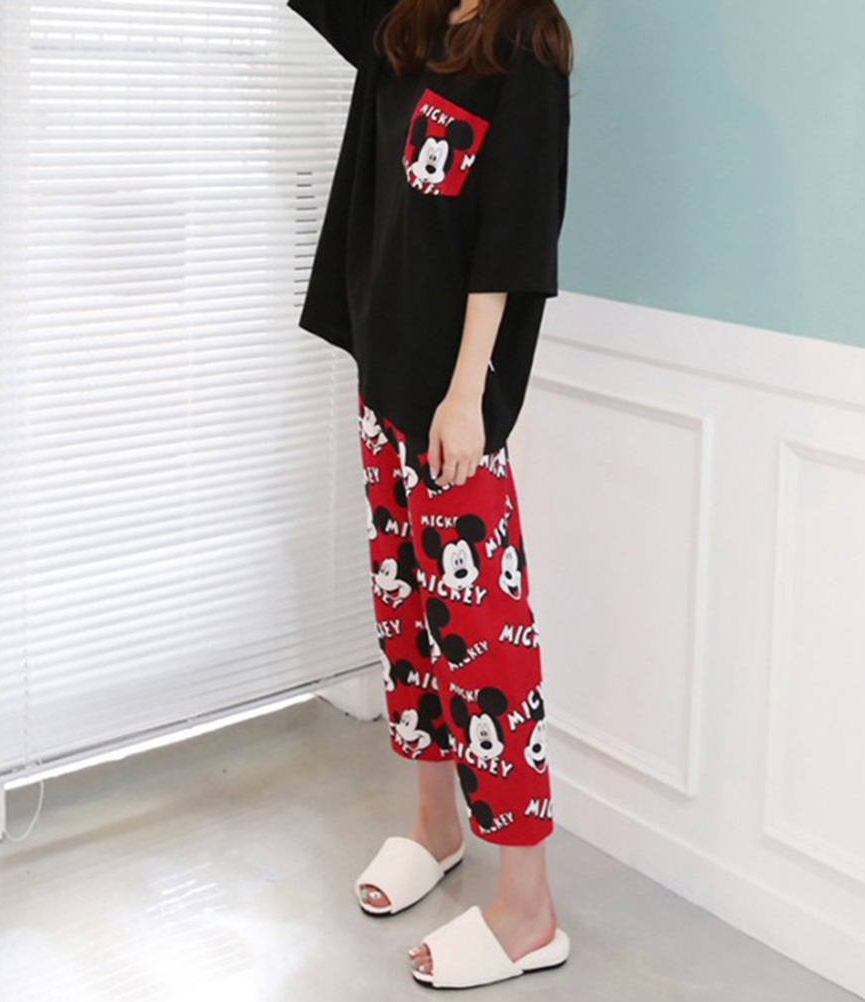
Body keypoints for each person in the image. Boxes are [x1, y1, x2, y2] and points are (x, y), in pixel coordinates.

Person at [286, 0, 573, 989]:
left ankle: (528, 908)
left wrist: (467, 394)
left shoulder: (526, 48)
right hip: (385, 383)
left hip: (455, 406)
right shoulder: (406, 21)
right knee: (409, 621)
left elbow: (515, 233)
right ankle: (434, 825)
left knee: (484, 643)